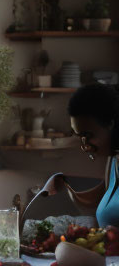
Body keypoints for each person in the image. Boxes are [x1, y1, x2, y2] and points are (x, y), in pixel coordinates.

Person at [44, 84, 119, 227]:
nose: (84, 145)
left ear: (110, 124)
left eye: (88, 135)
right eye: (80, 136)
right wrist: (65, 186)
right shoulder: (113, 160)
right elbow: (100, 197)